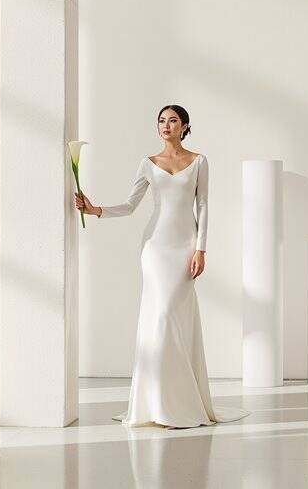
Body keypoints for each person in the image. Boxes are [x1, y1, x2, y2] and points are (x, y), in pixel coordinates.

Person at [74, 105, 251, 429]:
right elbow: (130, 206)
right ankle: (157, 403)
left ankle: (178, 403)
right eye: (161, 121)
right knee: (160, 317)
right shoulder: (148, 164)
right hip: (154, 249)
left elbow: (203, 205)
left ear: (184, 126)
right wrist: (95, 209)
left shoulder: (199, 161)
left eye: (172, 121)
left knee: (174, 317)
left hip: (184, 248)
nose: (165, 125)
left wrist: (201, 249)